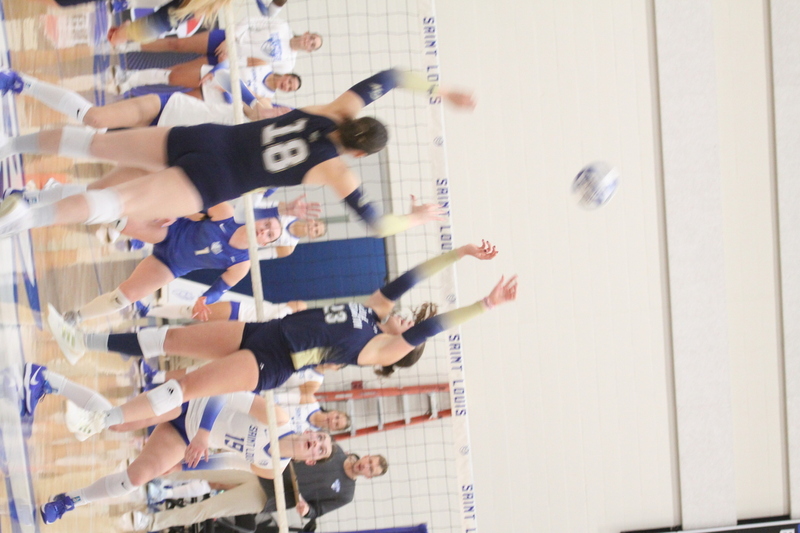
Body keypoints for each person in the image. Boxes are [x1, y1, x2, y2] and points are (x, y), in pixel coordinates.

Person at [45, 241, 515, 439]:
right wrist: (461, 252)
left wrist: (486, 305)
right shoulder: (374, 311)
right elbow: (409, 279)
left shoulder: (381, 350)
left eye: (408, 325)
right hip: (265, 331)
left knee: (186, 387)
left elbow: (428, 328)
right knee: (170, 338)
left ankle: (99, 421)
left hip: (275, 362)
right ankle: (82, 342)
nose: (406, 317)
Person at [0, 68, 473, 239]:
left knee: (94, 140)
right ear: (360, 153)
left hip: (204, 137)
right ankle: (23, 216)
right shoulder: (337, 174)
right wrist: (416, 217)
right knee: (117, 204)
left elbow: (389, 77)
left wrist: (442, 91)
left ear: (355, 121)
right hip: (213, 183)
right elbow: (376, 224)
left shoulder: (336, 109)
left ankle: (17, 113)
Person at [21, 362, 332, 525]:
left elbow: (230, 462)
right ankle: (48, 380)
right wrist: (204, 434)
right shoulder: (278, 418)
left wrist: (184, 464)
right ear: (309, 432)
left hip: (185, 438)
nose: (316, 442)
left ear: (311, 461)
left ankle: (69, 500)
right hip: (189, 401)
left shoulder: (273, 468)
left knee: (137, 478)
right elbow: (224, 391)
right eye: (319, 438)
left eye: (320, 449)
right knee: (118, 422)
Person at [55, 199, 306, 333]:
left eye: (269, 234)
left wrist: (205, 300)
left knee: (125, 297)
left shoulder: (242, 263)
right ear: (258, 218)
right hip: (168, 232)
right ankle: (60, 199)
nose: (264, 230)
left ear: (265, 242)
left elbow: (220, 288)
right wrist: (172, 211)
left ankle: (75, 318)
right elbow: (190, 204)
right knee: (119, 221)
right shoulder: (226, 213)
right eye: (266, 224)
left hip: (170, 264)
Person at [0, 68, 290, 135]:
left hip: (167, 141)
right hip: (167, 108)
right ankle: (21, 82)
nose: (276, 112)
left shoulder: (252, 139)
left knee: (95, 140)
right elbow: (225, 74)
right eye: (280, 109)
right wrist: (254, 103)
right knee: (96, 118)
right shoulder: (249, 103)